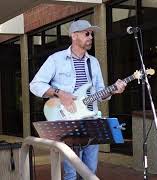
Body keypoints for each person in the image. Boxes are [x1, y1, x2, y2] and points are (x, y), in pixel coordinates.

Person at [30, 20, 127, 180]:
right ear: (74, 36)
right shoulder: (56, 59)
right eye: (86, 33)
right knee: (71, 173)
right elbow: (35, 85)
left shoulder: (93, 62)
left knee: (90, 171)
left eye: (92, 34)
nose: (91, 37)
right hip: (68, 121)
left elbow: (100, 92)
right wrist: (59, 92)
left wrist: (114, 90)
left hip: (91, 121)